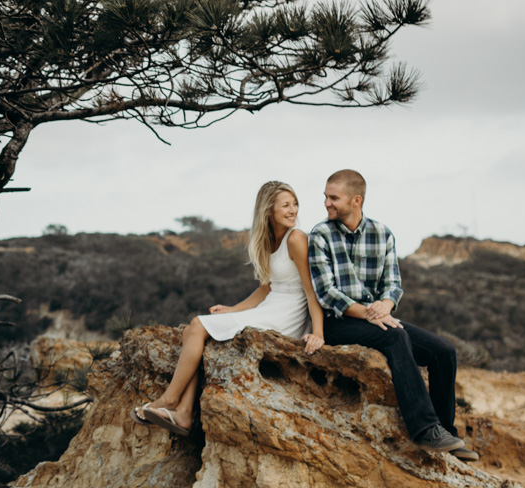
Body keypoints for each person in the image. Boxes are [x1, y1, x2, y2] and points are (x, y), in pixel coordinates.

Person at [308, 169, 478, 462]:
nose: (327, 203)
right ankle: (425, 429)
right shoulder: (320, 234)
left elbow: (393, 284)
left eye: (333, 198)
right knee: (396, 336)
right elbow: (326, 293)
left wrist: (386, 304)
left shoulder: (382, 233)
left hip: (377, 316)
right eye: (326, 197)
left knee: (444, 351)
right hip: (338, 322)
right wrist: (369, 313)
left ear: (356, 200)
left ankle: (446, 434)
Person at [135, 181, 325, 436]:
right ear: (268, 210)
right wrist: (233, 310)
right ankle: (184, 412)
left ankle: (169, 401)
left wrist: (318, 333)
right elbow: (266, 289)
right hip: (271, 306)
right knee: (193, 332)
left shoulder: (296, 238)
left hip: (286, 314)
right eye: (286, 205)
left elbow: (311, 291)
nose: (293, 211)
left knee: (197, 326)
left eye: (295, 204)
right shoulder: (270, 240)